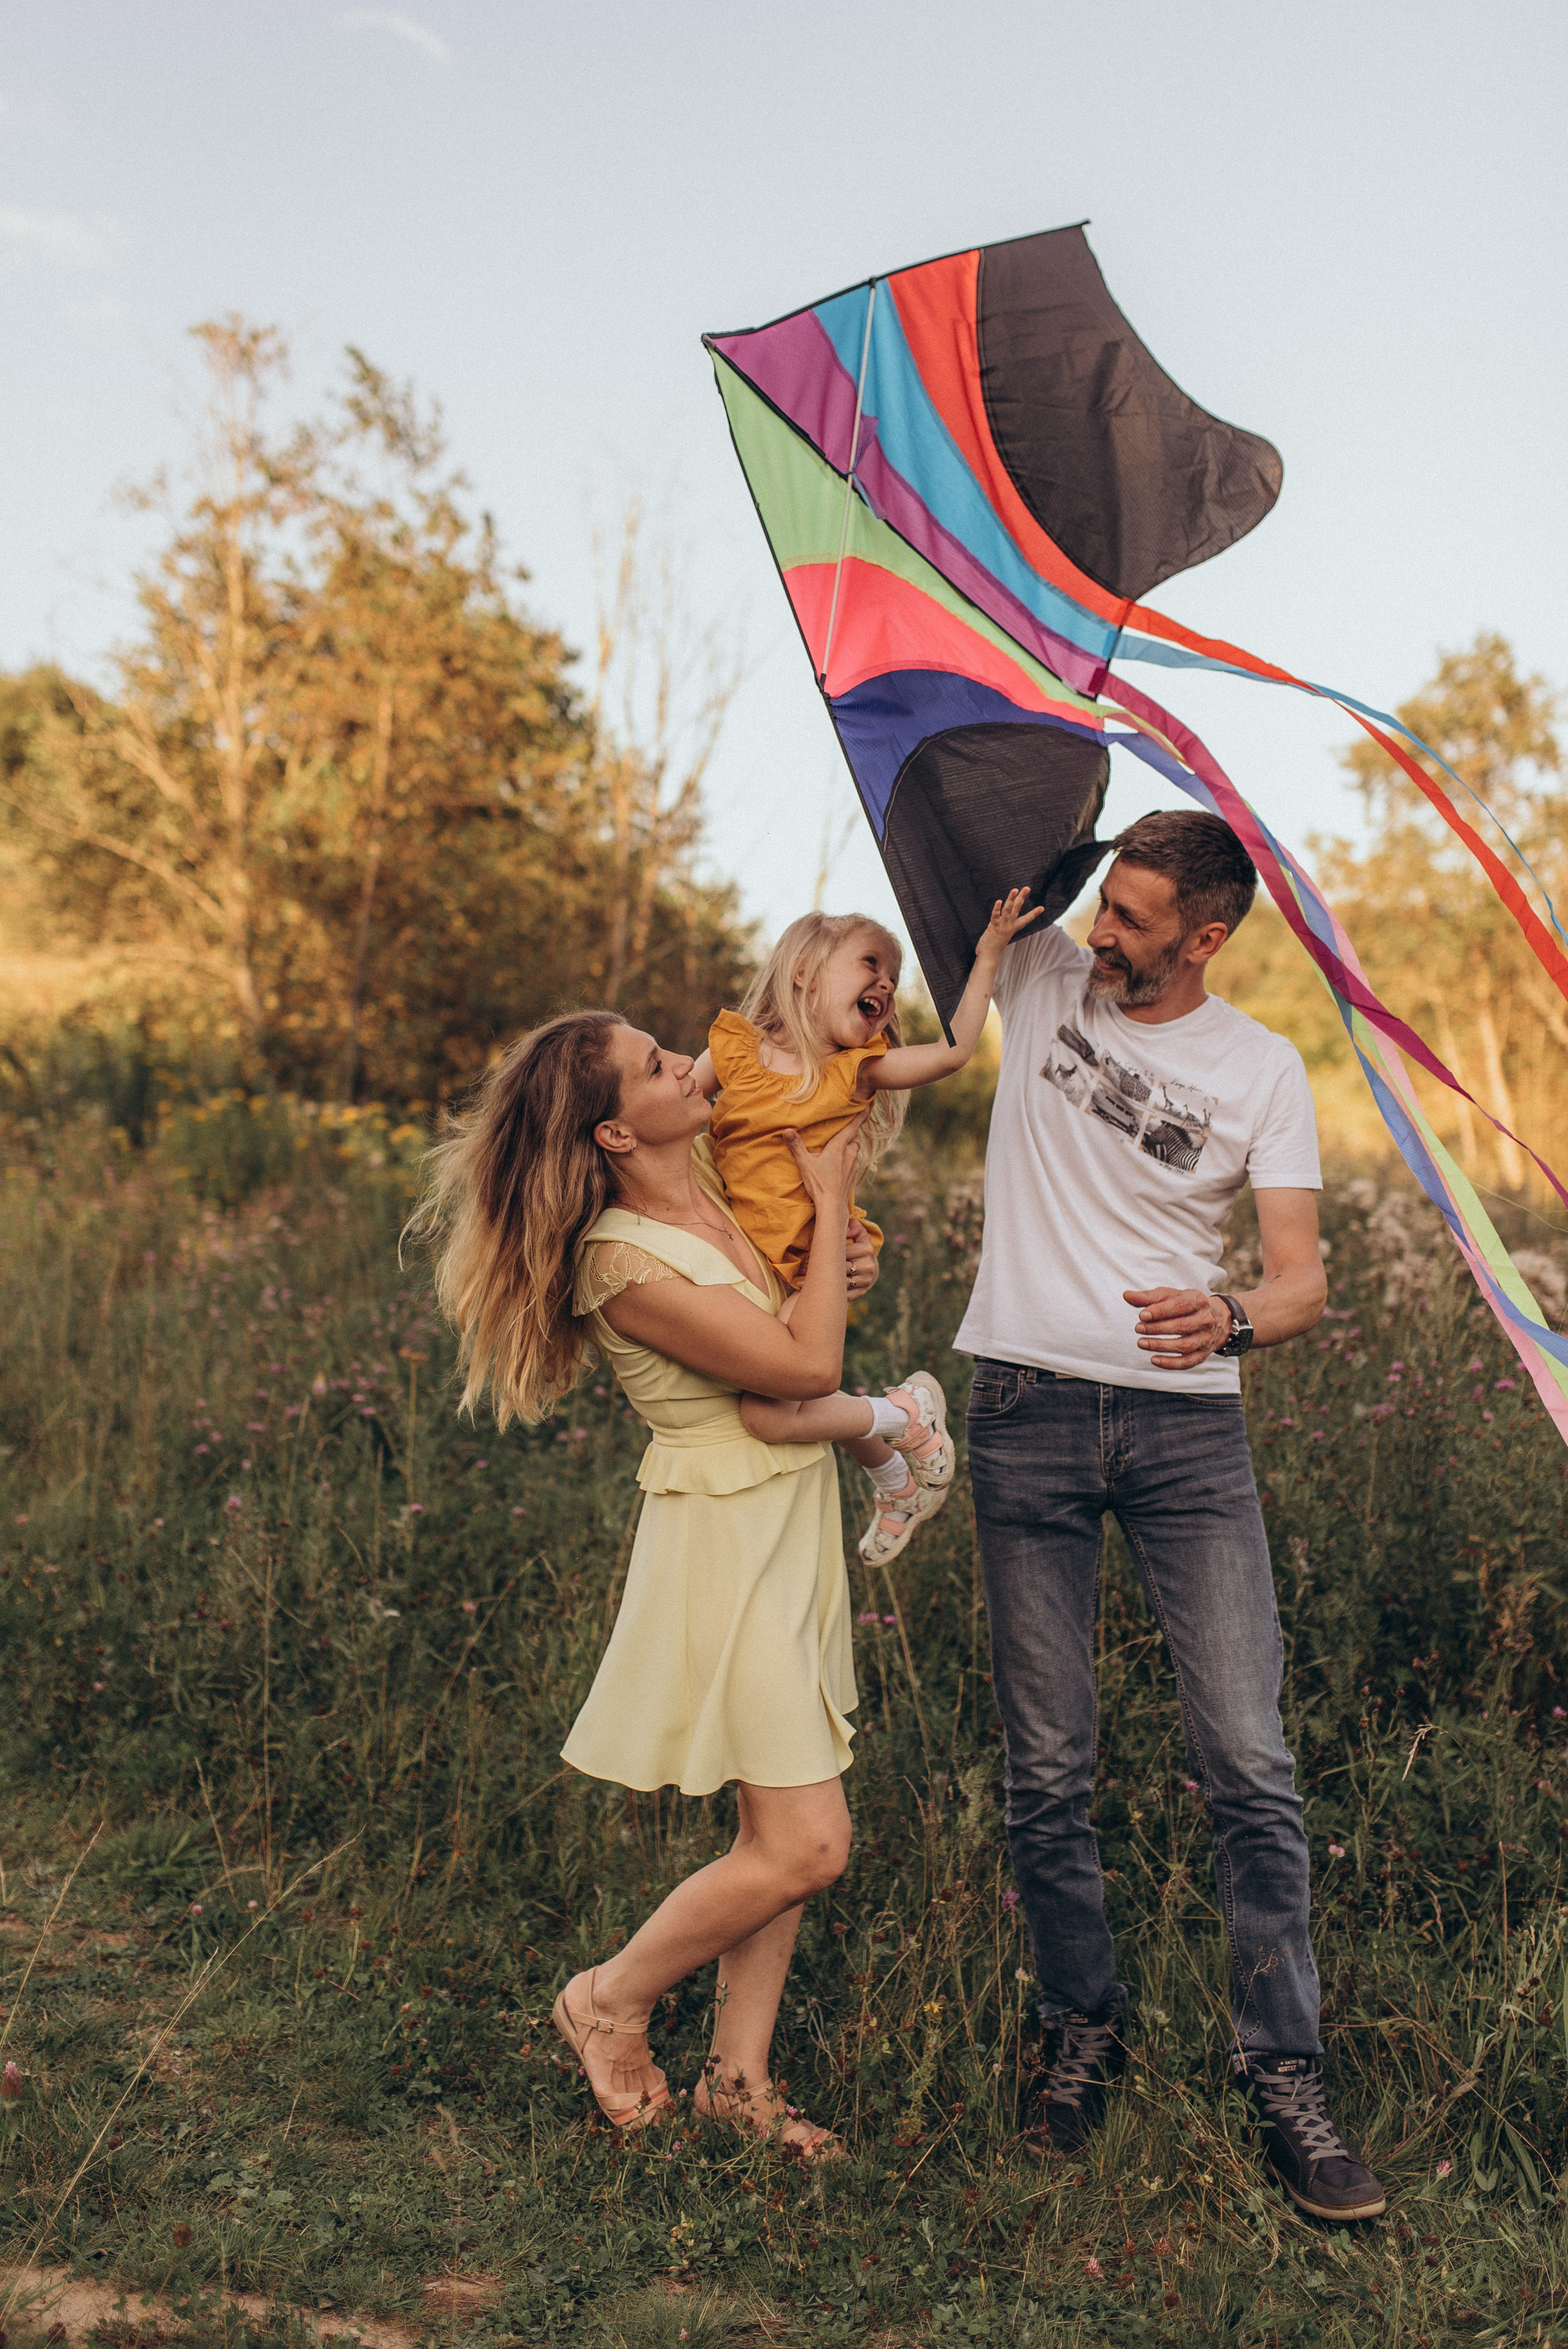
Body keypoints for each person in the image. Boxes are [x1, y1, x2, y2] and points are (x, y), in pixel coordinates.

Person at [956, 809, 1385, 2223]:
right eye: (1108, 904)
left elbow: (1299, 1281)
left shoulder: (1260, 1069)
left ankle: (1284, 2069)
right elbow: (996, 800)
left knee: (1246, 1759)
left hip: (1184, 1426)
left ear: (1203, 937)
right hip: (1021, 1406)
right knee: (1047, 1760)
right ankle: (1078, 2025)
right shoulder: (1032, 969)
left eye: (1137, 920)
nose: (1105, 934)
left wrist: (1232, 1315)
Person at [414, 1008, 881, 2158]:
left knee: (770, 1819)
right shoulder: (620, 1259)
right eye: (658, 1064)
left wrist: (838, 1249)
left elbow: (803, 1314)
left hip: (786, 1517)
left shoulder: (719, 1182)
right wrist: (827, 1211)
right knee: (808, 1842)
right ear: (616, 1130)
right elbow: (808, 1364)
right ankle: (609, 1997)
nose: (688, 1061)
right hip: (723, 1543)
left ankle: (738, 2077)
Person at [694, 895, 1038, 1568]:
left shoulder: (858, 1071)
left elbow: (953, 1051)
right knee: (803, 1399)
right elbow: (673, 1101)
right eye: (871, 963)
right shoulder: (733, 1048)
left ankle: (904, 1415)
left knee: (770, 1412)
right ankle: (895, 1477)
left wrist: (989, 954)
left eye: (892, 975)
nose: (885, 982)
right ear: (803, 972)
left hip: (808, 1265)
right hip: (737, 1261)